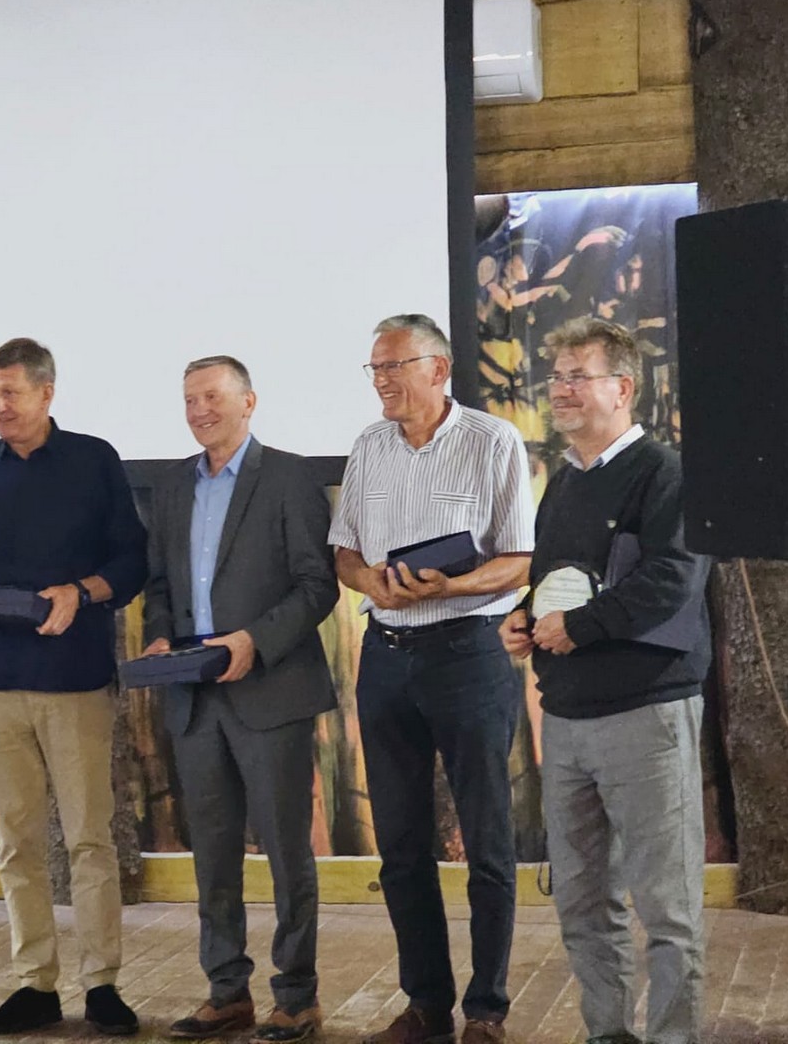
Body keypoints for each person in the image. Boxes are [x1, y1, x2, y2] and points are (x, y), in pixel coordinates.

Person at [499, 317, 709, 1044]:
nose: (560, 390)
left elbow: (673, 580)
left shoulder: (666, 473)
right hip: (566, 719)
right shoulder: (564, 481)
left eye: (577, 377)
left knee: (667, 909)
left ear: (622, 388)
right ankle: (607, 1034)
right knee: (584, 905)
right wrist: (523, 619)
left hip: (647, 715)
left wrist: (580, 627)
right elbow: (556, 582)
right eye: (556, 377)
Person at [328, 314, 535, 1044]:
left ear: (439, 369)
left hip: (469, 652)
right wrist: (371, 585)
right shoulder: (369, 445)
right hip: (386, 655)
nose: (381, 381)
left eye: (394, 366)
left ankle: (487, 1009)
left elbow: (519, 559)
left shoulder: (493, 441)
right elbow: (346, 552)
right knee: (401, 844)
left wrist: (449, 586)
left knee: (487, 840)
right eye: (375, 368)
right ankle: (425, 1004)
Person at [0, 338, 148, 1037]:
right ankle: (35, 985)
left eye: (11, 393)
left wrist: (80, 591)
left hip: (75, 680)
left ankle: (102, 984)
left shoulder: (94, 460)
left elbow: (132, 562)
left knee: (89, 840)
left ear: (47, 393)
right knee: (17, 843)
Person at [142, 356, 339, 1043]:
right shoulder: (172, 487)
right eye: (189, 399)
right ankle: (227, 992)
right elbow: (159, 586)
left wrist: (255, 641)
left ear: (249, 402)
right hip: (193, 697)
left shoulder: (289, 477)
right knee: (213, 854)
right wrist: (160, 637)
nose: (199, 410)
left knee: (287, 852)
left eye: (213, 397)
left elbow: (318, 585)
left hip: (271, 691)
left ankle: (297, 996)